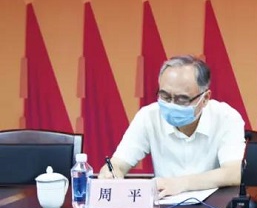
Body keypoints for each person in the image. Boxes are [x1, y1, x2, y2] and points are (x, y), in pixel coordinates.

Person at [97, 55, 245, 198]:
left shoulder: (226, 117)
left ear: (205, 98)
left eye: (182, 99)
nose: (171, 105)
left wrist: (182, 184)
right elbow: (119, 163)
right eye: (165, 96)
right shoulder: (148, 116)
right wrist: (111, 173)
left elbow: (235, 172)